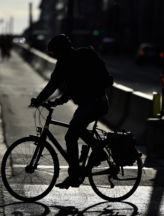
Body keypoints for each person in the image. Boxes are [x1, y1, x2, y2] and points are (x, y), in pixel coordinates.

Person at [30, 34, 114, 189]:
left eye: (55, 52)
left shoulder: (80, 59)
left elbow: (77, 86)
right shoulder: (62, 63)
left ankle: (98, 152)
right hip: (85, 104)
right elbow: (53, 83)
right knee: (70, 136)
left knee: (75, 127)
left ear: (63, 49)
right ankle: (75, 174)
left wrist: (63, 98)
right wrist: (39, 99)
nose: (55, 56)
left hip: (97, 102)